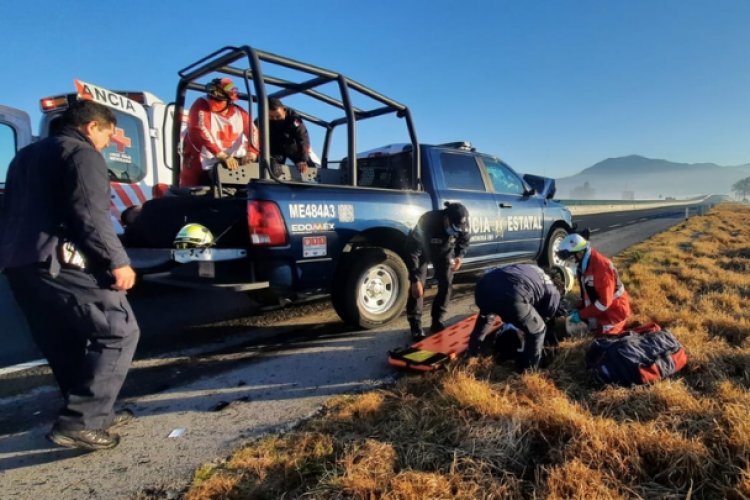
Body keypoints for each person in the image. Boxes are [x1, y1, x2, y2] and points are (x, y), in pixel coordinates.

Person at [0, 100, 141, 451]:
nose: (108, 143)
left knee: (62, 340)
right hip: (58, 261)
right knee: (118, 330)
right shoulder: (82, 153)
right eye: (108, 134)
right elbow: (90, 215)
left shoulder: (24, 158)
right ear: (93, 126)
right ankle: (81, 422)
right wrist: (117, 261)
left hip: (19, 265)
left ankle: (93, 413)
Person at [466, 264, 569, 372]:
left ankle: (472, 354)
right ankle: (529, 370)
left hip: (483, 287)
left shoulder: (533, 269)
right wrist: (525, 330)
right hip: (513, 295)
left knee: (486, 318)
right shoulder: (554, 291)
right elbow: (543, 318)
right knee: (538, 330)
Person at [405, 202, 470, 339]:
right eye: (453, 227)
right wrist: (415, 278)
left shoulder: (462, 223)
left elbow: (464, 240)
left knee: (446, 284)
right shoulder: (427, 220)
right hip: (421, 251)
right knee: (417, 289)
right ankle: (415, 324)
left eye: (458, 228)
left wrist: (459, 256)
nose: (455, 230)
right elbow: (413, 251)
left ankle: (437, 320)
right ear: (446, 218)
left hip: (443, 251)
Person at [180, 78, 259, 187]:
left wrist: (252, 151)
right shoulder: (201, 105)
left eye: (219, 95)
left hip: (231, 165)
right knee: (190, 192)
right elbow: (200, 129)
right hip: (199, 161)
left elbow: (253, 131)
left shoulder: (240, 113)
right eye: (213, 93)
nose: (214, 99)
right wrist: (221, 155)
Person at [556, 233, 631, 335]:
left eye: (570, 258)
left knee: (602, 340)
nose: (569, 263)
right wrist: (579, 308)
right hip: (601, 310)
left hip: (615, 313)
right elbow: (589, 294)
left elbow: (604, 303)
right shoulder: (583, 266)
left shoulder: (602, 268)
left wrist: (581, 315)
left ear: (579, 253)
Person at [267, 97, 313, 174]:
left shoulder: (294, 118)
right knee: (272, 167)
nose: (275, 119)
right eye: (271, 117)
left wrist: (303, 159)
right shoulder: (262, 119)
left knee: (308, 166)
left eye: (278, 116)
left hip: (293, 147)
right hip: (275, 149)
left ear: (284, 110)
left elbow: (302, 137)